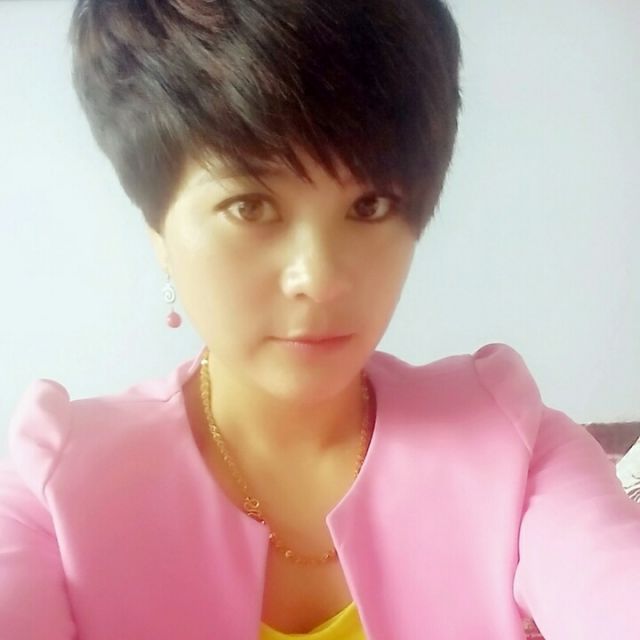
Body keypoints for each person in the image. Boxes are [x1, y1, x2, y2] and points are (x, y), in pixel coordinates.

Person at [1, 1, 639, 638]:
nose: (321, 278)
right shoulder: (56, 494)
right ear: (158, 228)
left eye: (369, 205)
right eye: (250, 206)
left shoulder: (510, 445)